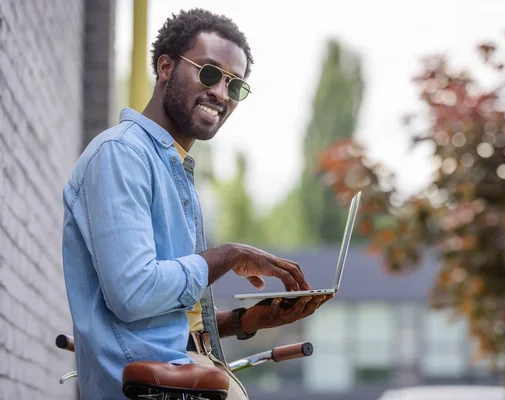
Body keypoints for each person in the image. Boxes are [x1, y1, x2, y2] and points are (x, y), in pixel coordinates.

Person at [62, 8, 331, 400]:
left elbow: (162, 317)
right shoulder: (120, 156)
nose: (221, 94)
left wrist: (246, 320)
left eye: (235, 86)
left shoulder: (174, 170)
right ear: (166, 67)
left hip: (185, 376)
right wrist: (226, 256)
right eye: (208, 73)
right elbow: (134, 294)